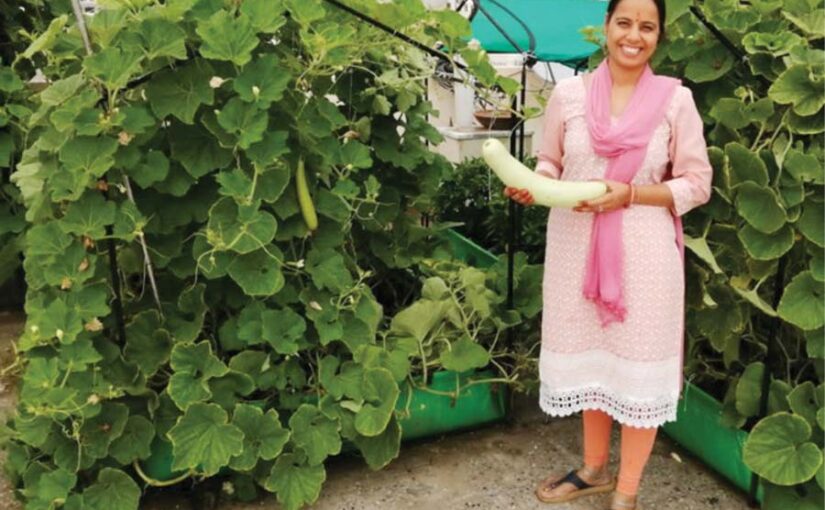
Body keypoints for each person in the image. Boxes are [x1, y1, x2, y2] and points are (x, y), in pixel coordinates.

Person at [504, 0, 712, 508]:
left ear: (659, 36)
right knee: (593, 365)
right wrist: (538, 185)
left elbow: (697, 183)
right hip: (576, 246)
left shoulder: (674, 101)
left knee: (637, 373)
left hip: (645, 254)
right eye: (624, 22)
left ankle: (627, 492)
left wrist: (634, 194)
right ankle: (594, 468)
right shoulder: (569, 96)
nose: (633, 36)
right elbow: (550, 160)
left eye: (647, 26)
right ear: (606, 28)